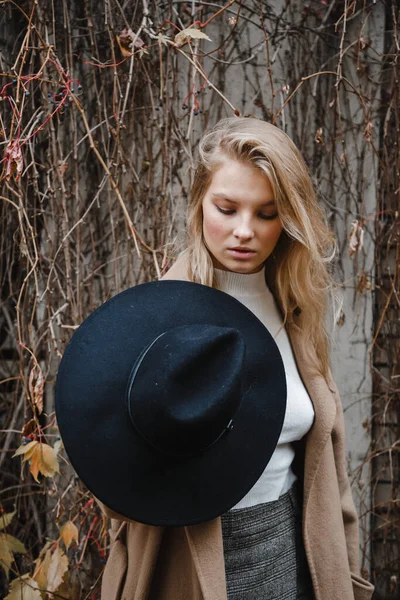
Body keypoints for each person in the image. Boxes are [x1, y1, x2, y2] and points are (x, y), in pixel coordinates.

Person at [98, 117, 375, 600]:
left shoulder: (295, 310)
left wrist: (345, 572)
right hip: (185, 567)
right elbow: (111, 484)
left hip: (293, 559)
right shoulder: (156, 321)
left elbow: (328, 467)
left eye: (267, 214)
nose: (244, 231)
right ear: (200, 205)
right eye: (226, 208)